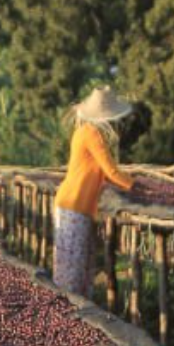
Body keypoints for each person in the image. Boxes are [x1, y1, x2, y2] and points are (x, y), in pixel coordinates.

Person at [52, 86, 138, 296]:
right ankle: (70, 309)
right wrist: (136, 186)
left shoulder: (85, 132)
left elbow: (103, 172)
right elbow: (111, 171)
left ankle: (78, 308)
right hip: (74, 205)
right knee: (73, 268)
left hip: (74, 204)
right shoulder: (91, 134)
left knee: (80, 263)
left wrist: (127, 182)